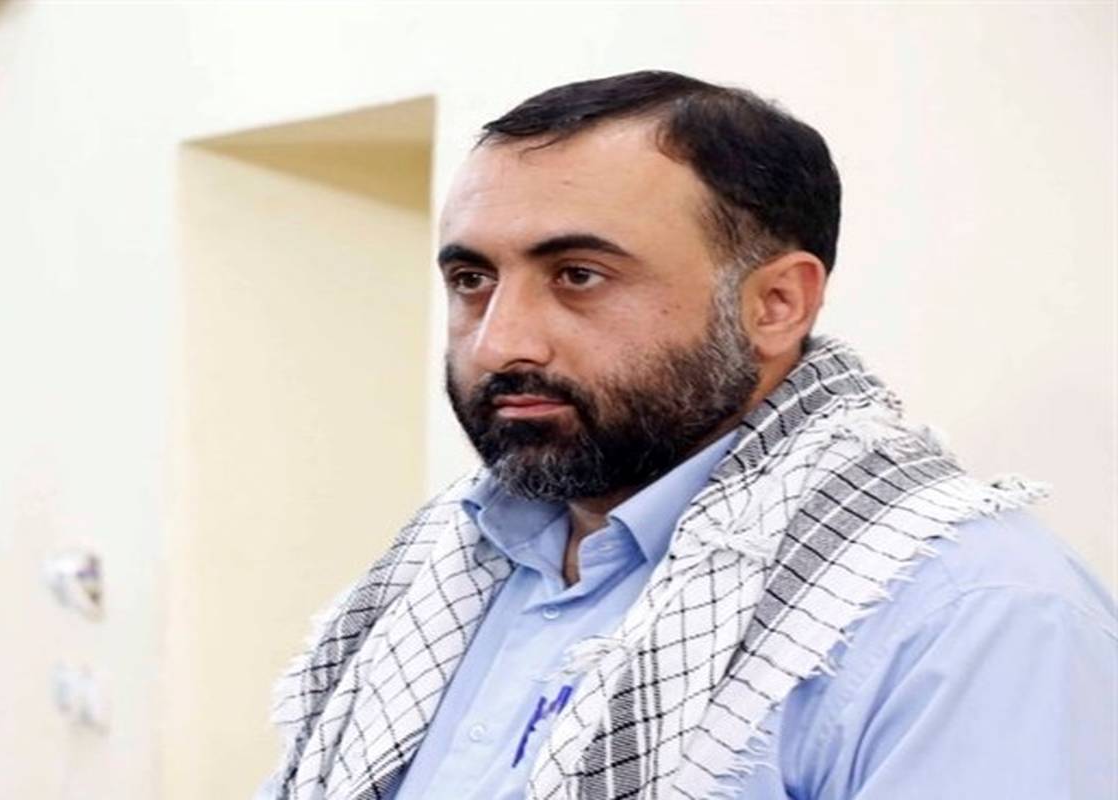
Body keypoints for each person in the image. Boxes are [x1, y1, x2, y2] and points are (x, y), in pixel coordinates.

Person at [258, 71, 1117, 800]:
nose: (499, 342)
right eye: (473, 279)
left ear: (775, 304)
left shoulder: (974, 618)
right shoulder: (443, 568)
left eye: (578, 275)